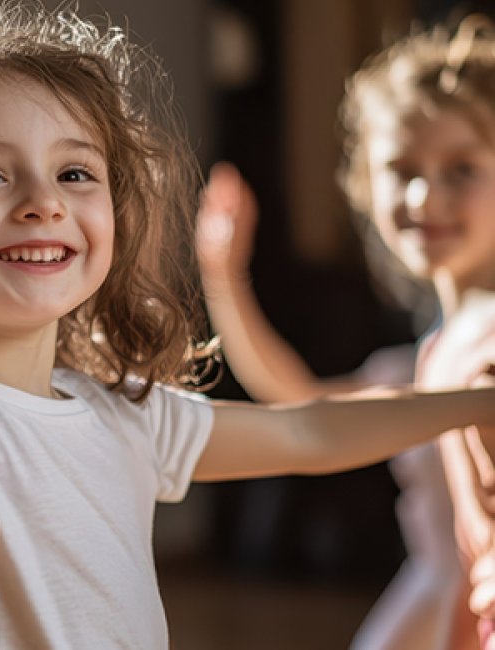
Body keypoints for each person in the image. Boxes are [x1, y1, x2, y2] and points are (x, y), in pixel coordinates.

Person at [0, 4, 495, 648]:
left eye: (75, 173)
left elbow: (309, 433)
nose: (44, 201)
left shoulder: (124, 418)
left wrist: (478, 404)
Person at [196, 13, 495, 650]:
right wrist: (224, 280)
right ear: (365, 185)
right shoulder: (431, 353)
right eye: (402, 168)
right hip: (442, 600)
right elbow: (300, 401)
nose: (424, 196)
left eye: (461, 169)